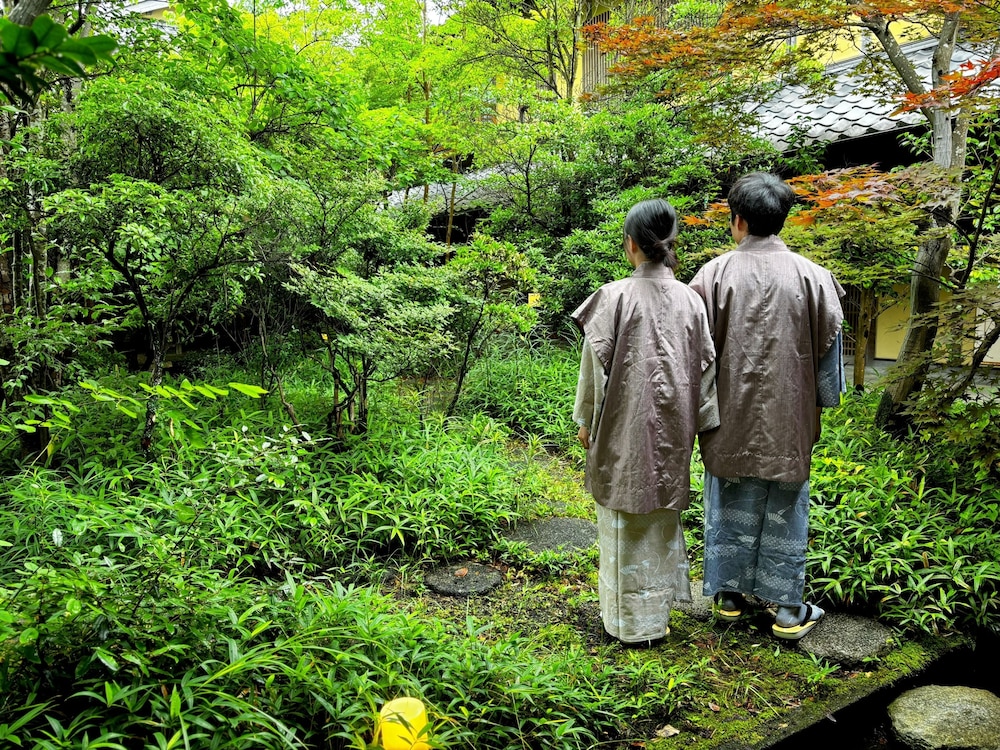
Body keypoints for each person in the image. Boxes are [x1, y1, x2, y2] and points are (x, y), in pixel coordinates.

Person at [689, 172, 845, 641]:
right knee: (786, 507)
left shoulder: (712, 276)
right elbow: (828, 361)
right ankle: (787, 611)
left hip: (728, 418)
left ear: (737, 219)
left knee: (728, 501)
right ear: (782, 219)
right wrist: (823, 401)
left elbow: (695, 356)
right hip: (789, 418)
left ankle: (729, 597)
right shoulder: (814, 278)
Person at [572, 198, 719, 646]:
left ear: (630, 244)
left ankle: (625, 624)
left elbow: (592, 372)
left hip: (619, 431)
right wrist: (702, 422)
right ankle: (657, 617)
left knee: (621, 527)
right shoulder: (692, 302)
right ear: (670, 244)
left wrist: (585, 421)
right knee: (659, 522)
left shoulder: (611, 297)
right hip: (673, 434)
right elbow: (706, 370)